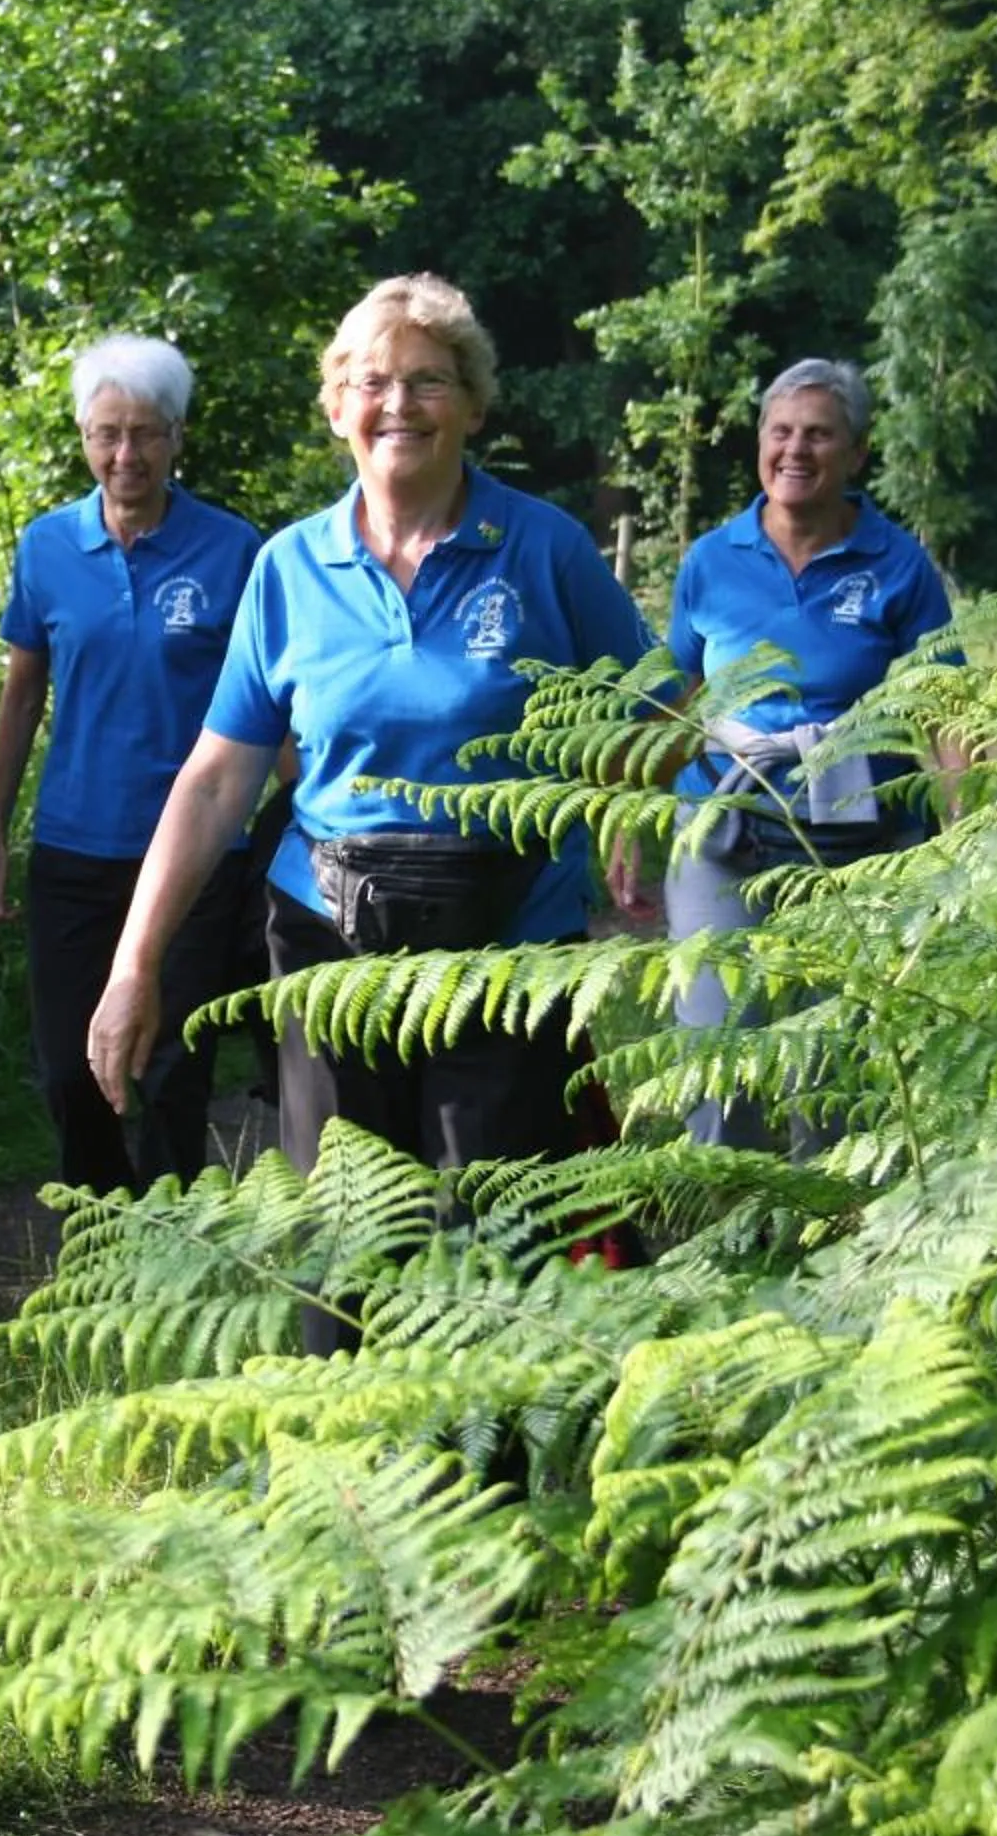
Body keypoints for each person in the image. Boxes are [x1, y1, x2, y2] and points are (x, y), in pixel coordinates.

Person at [86, 274, 653, 1353]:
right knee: (346, 1224)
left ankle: (484, 1481)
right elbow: (216, 777)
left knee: (494, 1217)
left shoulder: (543, 549)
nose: (400, 402)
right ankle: (347, 1465)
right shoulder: (289, 568)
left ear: (475, 405)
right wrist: (133, 967)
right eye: (373, 381)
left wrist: (622, 795)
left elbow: (651, 697)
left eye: (429, 381)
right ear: (337, 406)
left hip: (507, 945)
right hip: (327, 937)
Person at [0, 335, 266, 1193]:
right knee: (71, 1072)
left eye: (145, 433)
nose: (125, 455)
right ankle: (101, 1234)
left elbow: (267, 704)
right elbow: (22, 695)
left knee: (174, 1069)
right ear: (82, 437)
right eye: (107, 434)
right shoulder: (47, 548)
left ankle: (172, 1239)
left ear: (177, 437)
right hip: (75, 845)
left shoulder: (234, 550)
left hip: (197, 854)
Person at [658, 357, 963, 1151]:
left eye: (820, 434)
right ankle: (722, 1230)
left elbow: (945, 704)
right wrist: (625, 819)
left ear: (857, 453)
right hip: (726, 832)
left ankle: (823, 1232)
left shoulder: (899, 563)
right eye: (781, 431)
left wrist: (965, 830)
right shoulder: (711, 560)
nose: (797, 450)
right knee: (719, 1043)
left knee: (832, 1065)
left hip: (863, 846)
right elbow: (670, 692)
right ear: (760, 443)